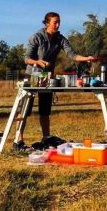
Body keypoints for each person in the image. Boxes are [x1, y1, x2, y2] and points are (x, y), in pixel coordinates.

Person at [14, 11, 100, 151]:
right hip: (32, 76)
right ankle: (19, 140)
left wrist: (86, 58)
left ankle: (46, 139)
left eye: (59, 22)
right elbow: (26, 58)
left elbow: (71, 54)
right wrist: (37, 62)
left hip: (48, 78)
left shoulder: (60, 39)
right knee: (24, 110)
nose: (58, 25)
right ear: (47, 23)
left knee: (45, 110)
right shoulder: (36, 37)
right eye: (55, 22)